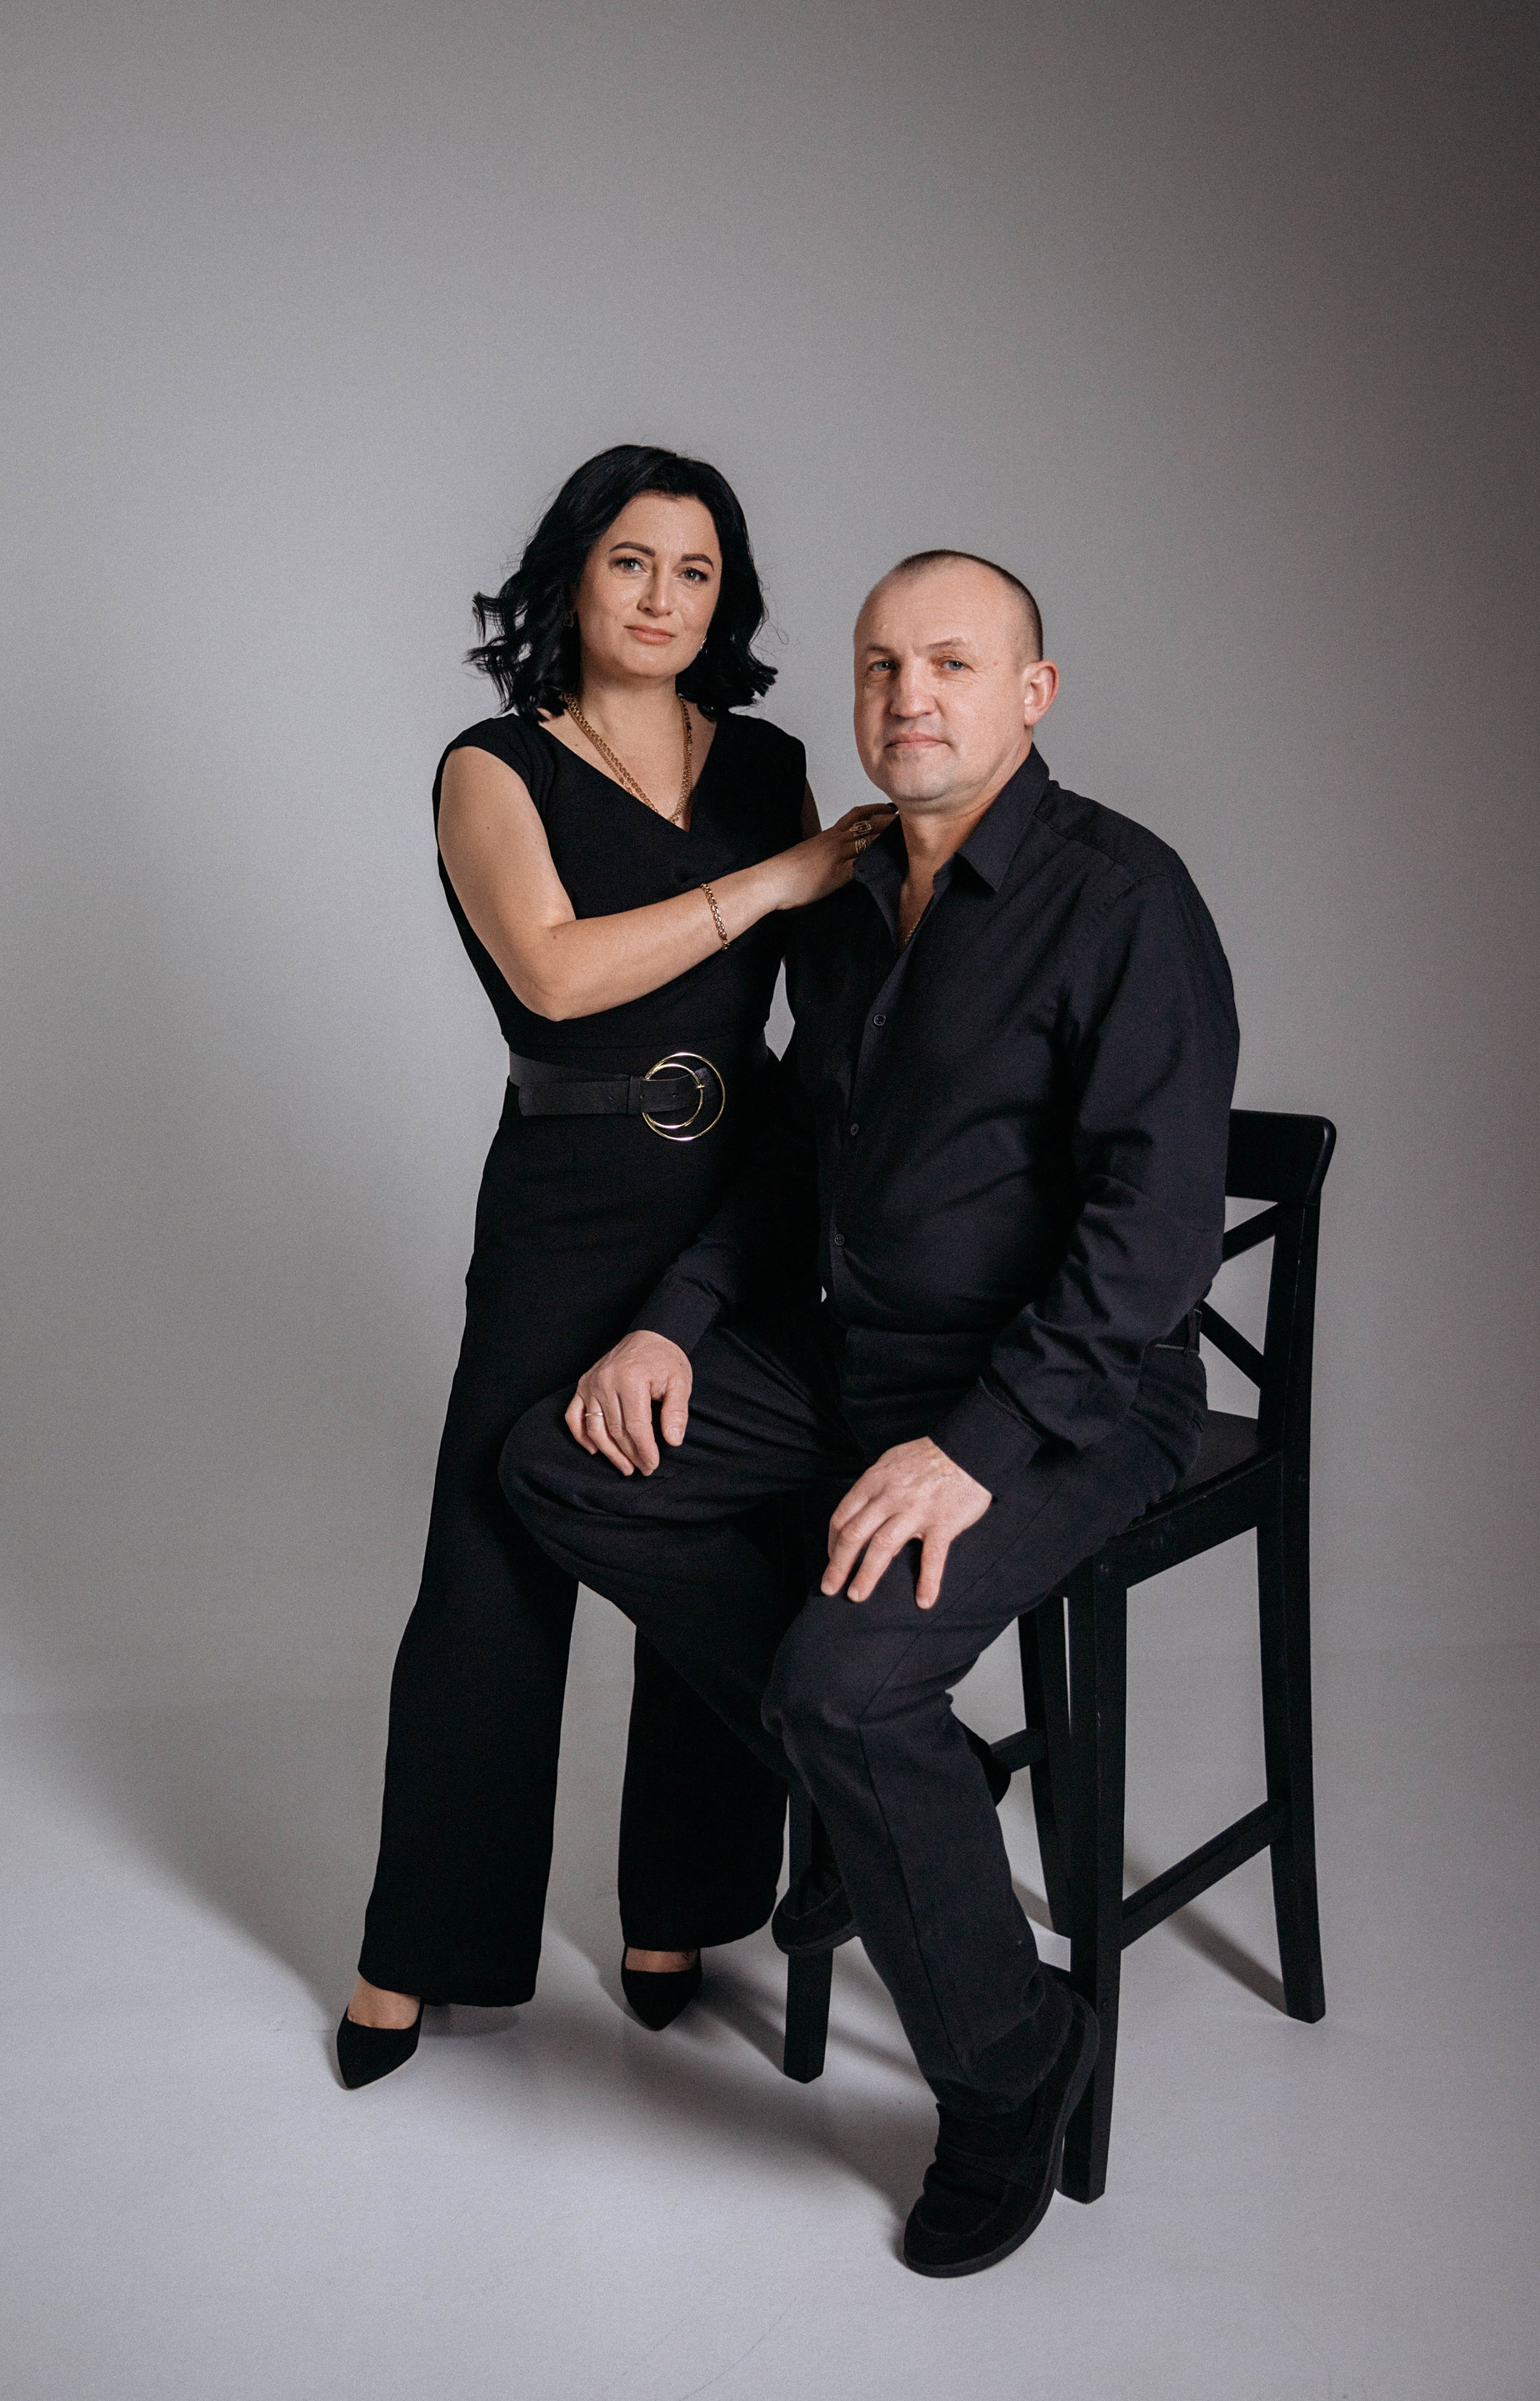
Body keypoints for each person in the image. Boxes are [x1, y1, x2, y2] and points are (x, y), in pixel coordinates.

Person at [499, 548, 1239, 2275]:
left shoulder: (1124, 897)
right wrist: (674, 1322)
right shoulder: (845, 901)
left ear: (1032, 695)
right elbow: (783, 1160)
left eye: (953, 664)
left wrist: (972, 1449)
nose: (910, 696)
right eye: (882, 665)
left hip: (1069, 1397)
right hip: (853, 1361)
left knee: (843, 1682)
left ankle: (1011, 2063)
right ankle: (907, 1785)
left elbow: (1153, 1236)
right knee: (562, 1461)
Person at [338, 445, 892, 2089]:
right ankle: (417, 1947)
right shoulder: (496, 764)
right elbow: (558, 975)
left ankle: (683, 1912)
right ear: (574, 576)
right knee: (492, 1560)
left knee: (709, 1527)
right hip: (569, 1191)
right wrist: (781, 876)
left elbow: (838, 980)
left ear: (727, 599)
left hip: (746, 1198)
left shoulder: (768, 760)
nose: (662, 597)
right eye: (632, 562)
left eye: (695, 571)